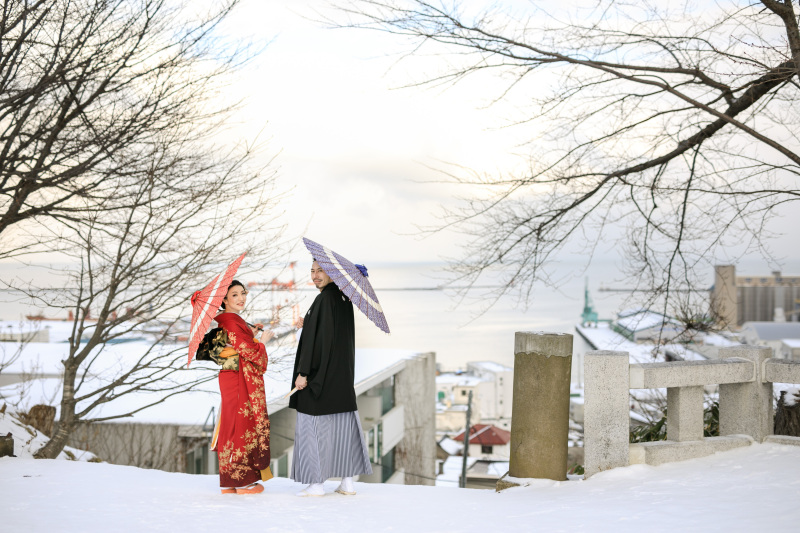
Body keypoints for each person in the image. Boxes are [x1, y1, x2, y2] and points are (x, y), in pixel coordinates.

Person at [289, 260, 372, 496]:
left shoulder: (324, 299)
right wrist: (308, 324)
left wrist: (303, 373)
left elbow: (319, 343)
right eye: (312, 271)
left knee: (313, 430)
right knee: (343, 429)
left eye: (320, 271)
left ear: (334, 273)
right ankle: (347, 483)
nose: (315, 276)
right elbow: (330, 334)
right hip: (341, 378)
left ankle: (316, 484)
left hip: (320, 379)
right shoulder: (344, 299)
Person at [210, 280, 274, 494]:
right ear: (224, 300)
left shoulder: (228, 321)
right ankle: (243, 482)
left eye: (242, 293)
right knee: (242, 425)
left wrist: (251, 337)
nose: (241, 298)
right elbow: (251, 353)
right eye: (234, 295)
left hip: (231, 376)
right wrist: (262, 341)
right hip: (238, 379)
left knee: (232, 425)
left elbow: (235, 348)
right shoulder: (231, 321)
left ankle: (230, 480)